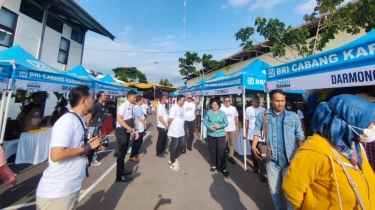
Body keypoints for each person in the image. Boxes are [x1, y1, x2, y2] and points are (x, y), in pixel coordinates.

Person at [283, 94, 375, 209]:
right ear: (350, 121)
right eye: (371, 122)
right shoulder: (313, 152)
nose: (373, 126)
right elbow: (291, 188)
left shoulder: (356, 146)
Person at [36, 85, 102, 210]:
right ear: (84, 101)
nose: (93, 101)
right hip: (57, 193)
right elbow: (57, 155)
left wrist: (91, 146)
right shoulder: (67, 121)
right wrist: (88, 146)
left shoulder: (79, 120)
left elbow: (75, 148)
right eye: (91, 98)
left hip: (70, 188)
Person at [252, 89, 305, 210]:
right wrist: (253, 145)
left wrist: (300, 153)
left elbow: (299, 135)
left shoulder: (293, 116)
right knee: (274, 191)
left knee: (289, 191)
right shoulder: (264, 115)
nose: (280, 103)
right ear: (271, 101)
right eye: (277, 101)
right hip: (272, 161)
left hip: (290, 160)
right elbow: (256, 130)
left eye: (283, 100)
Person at [115, 90, 137, 182]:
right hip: (121, 131)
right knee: (121, 153)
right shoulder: (123, 106)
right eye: (134, 97)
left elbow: (132, 118)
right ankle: (119, 176)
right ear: (129, 97)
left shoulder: (132, 106)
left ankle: (122, 170)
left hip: (127, 131)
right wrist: (128, 127)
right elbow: (119, 119)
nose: (135, 99)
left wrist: (134, 130)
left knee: (124, 152)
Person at [204, 98, 229, 176]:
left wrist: (220, 126)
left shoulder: (222, 113)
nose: (214, 106)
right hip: (211, 134)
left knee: (221, 150)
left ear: (219, 106)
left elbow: (226, 123)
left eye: (215, 105)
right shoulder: (209, 112)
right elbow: (205, 121)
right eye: (212, 105)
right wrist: (209, 126)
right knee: (212, 150)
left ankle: (223, 167)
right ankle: (214, 165)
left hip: (220, 134)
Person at [245, 96, 266, 182]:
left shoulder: (263, 109)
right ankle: (255, 166)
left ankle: (262, 173)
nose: (256, 103)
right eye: (255, 102)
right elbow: (247, 121)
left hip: (261, 136)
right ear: (252, 102)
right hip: (251, 134)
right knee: (254, 152)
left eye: (258, 102)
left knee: (262, 154)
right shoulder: (248, 109)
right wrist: (246, 133)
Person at [85, 91, 107, 166]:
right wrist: (87, 125)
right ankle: (92, 160)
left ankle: (92, 158)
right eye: (104, 95)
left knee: (97, 142)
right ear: (100, 96)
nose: (106, 97)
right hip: (94, 127)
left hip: (98, 127)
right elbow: (90, 115)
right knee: (93, 143)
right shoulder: (96, 105)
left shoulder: (102, 105)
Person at [167, 95, 186, 171]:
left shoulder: (181, 107)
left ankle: (174, 158)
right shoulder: (174, 108)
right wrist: (169, 126)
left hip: (181, 130)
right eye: (183, 101)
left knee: (181, 143)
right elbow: (169, 119)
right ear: (178, 101)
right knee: (174, 146)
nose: (184, 102)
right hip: (175, 130)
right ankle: (172, 162)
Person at [220, 96, 240, 164]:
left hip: (232, 128)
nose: (228, 102)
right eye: (226, 101)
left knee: (232, 142)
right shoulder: (221, 109)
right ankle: (222, 154)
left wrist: (238, 127)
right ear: (224, 102)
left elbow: (236, 117)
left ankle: (230, 156)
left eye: (229, 101)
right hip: (224, 128)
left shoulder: (233, 108)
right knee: (223, 142)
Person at [129, 96, 147, 162]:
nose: (143, 101)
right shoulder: (136, 108)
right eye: (142, 100)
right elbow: (139, 118)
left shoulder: (140, 107)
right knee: (136, 142)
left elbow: (142, 116)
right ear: (139, 101)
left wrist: (145, 122)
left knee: (140, 141)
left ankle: (137, 153)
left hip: (141, 127)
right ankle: (132, 155)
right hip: (138, 128)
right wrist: (144, 122)